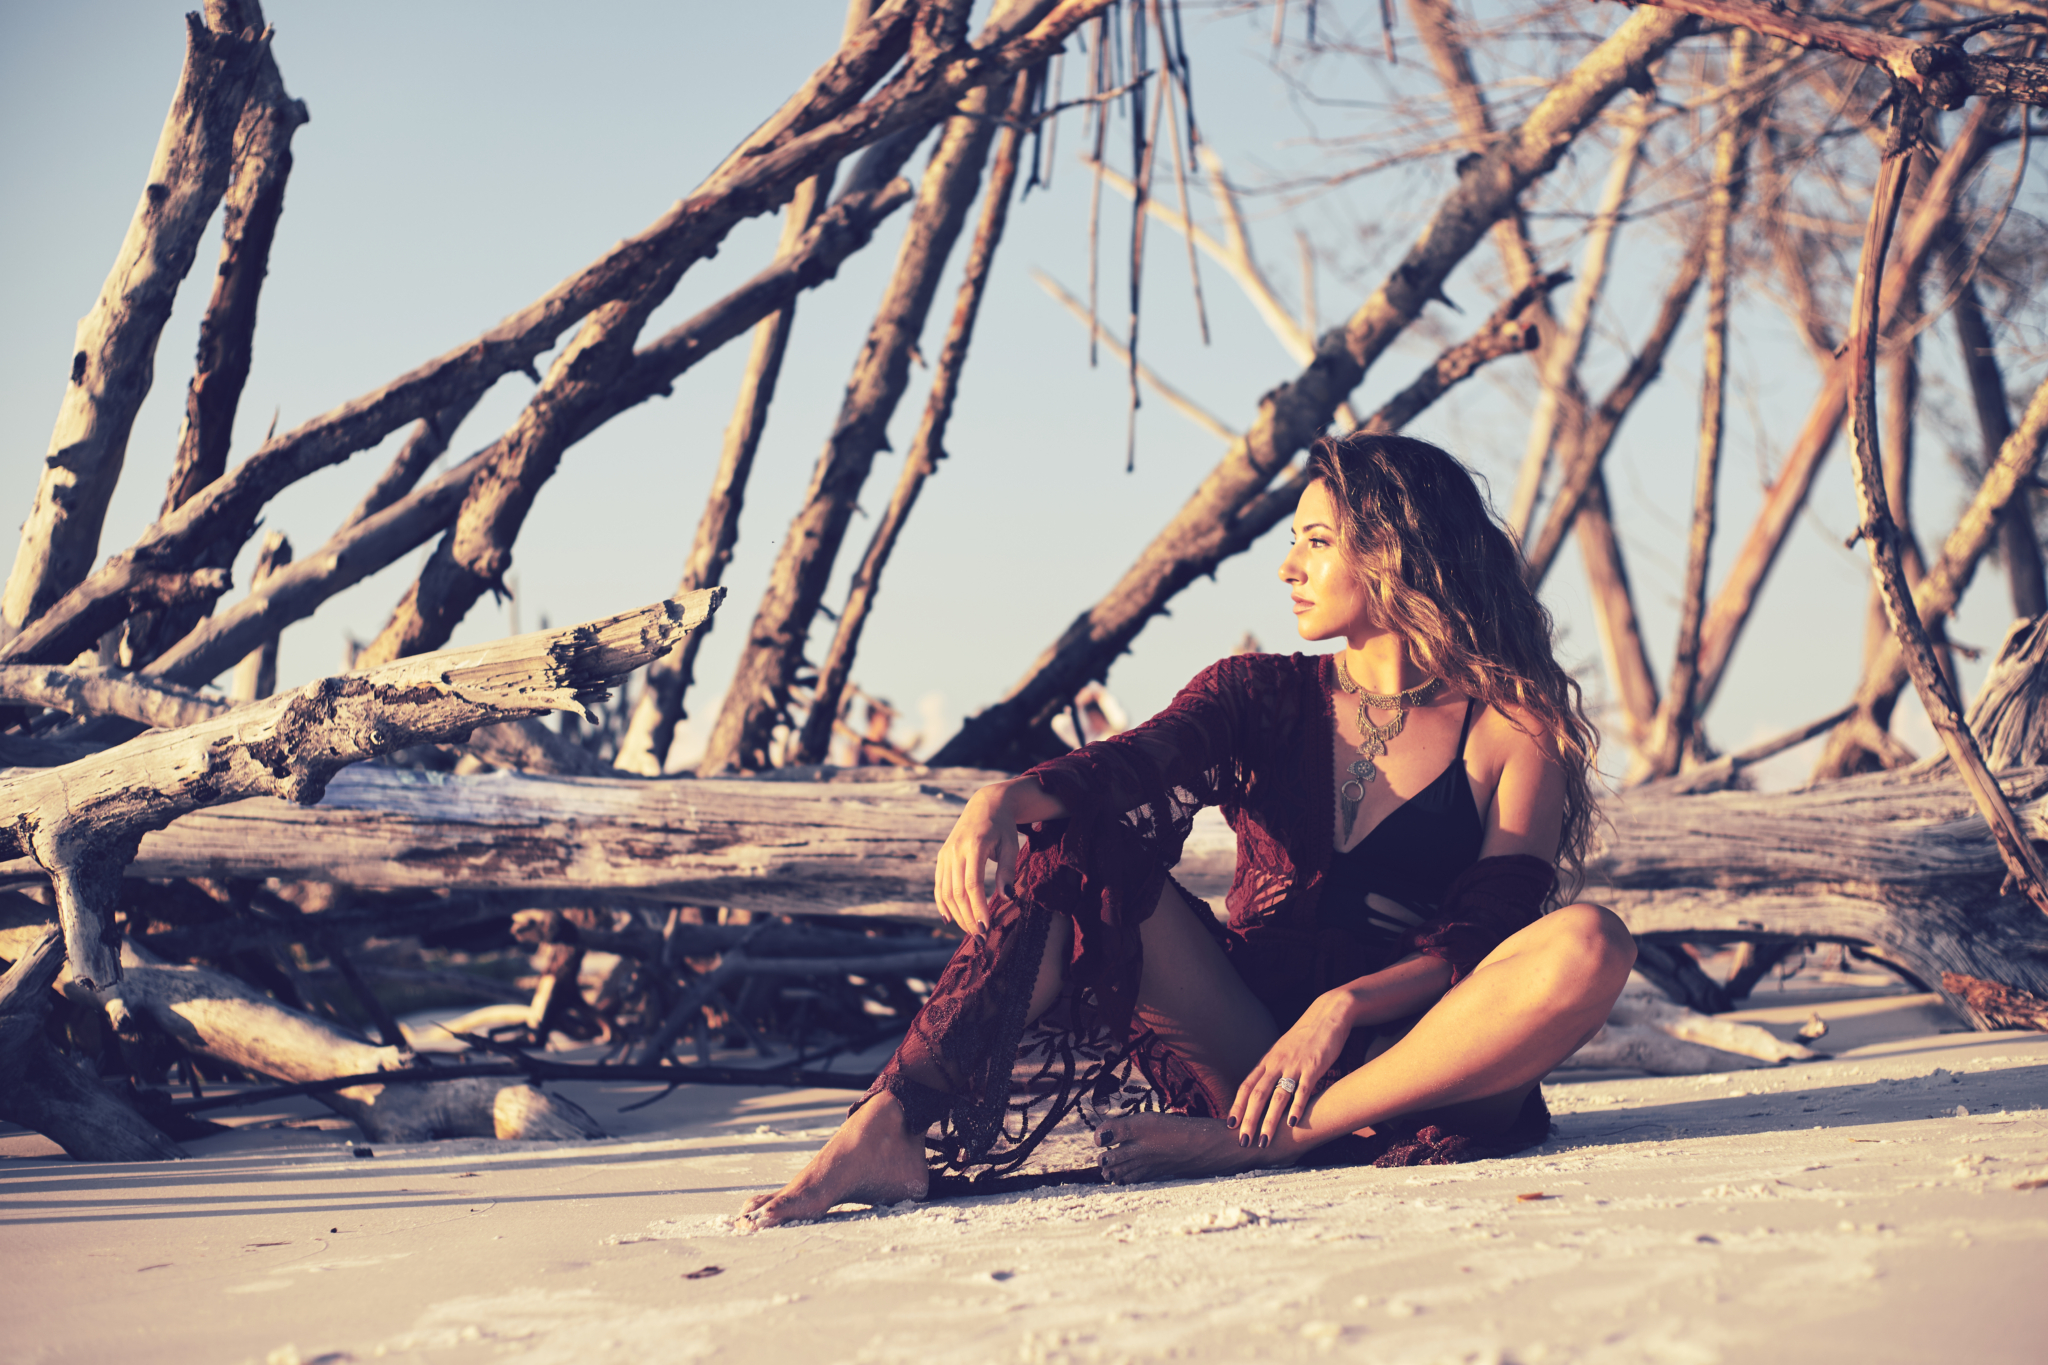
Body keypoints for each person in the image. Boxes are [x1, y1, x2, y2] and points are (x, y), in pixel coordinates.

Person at [741, 433, 1637, 1228]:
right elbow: (1133, 763)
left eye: (1316, 542)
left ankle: (1276, 1143)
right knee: (1079, 850)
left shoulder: (1512, 726)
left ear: (1395, 552)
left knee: (1591, 940)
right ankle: (887, 1125)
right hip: (1250, 1047)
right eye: (1291, 541)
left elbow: (1492, 925)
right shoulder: (1260, 692)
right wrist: (1002, 800)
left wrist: (1345, 1006)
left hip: (1420, 1060)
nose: (1288, 566)